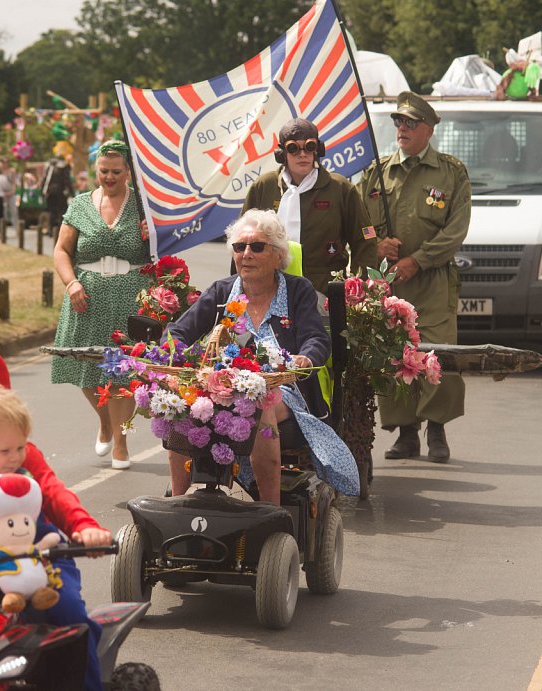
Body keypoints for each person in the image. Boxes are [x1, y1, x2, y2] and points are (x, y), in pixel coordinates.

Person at [0, 381, 112, 691]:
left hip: (40, 567)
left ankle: (89, 685)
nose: (16, 457)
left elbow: (55, 495)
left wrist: (85, 530)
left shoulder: (23, 479)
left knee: (69, 615)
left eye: (21, 447)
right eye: (6, 450)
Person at [166, 209, 359, 503]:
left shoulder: (298, 291)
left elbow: (315, 338)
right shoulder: (220, 293)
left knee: (258, 406)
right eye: (239, 247)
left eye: (257, 247)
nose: (246, 254)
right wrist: (176, 358)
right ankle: (177, 502)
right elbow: (177, 333)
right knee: (181, 406)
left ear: (278, 255)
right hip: (223, 385)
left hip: (282, 387)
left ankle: (271, 509)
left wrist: (305, 358)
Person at [357, 91, 471, 462]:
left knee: (439, 354)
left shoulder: (450, 172)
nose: (402, 129)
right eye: (397, 122)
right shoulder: (376, 171)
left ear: (428, 130)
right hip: (389, 283)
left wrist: (417, 261)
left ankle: (437, 429)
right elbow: (359, 224)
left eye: (410, 123)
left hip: (433, 281)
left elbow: (456, 230)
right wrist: (376, 245)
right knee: (394, 356)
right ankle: (407, 434)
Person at [51, 140, 150, 470]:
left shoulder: (142, 205)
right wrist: (71, 282)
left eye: (116, 172)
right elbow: (62, 251)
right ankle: (105, 421)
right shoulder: (79, 205)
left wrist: (155, 235)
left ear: (128, 172)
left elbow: (161, 253)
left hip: (131, 297)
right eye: (103, 171)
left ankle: (121, 439)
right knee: (88, 369)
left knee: (125, 374)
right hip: (87, 298)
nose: (109, 177)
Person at [241, 117, 378, 294]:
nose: (302, 154)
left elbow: (365, 240)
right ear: (282, 153)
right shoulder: (264, 187)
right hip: (268, 288)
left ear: (317, 150)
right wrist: (240, 289)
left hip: (324, 290)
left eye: (309, 147)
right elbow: (242, 241)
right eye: (293, 148)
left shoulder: (340, 189)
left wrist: (361, 290)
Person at [42, 153, 74, 239]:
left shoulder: (50, 167)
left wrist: (43, 192)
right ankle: (60, 232)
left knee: (52, 212)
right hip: (60, 193)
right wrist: (72, 193)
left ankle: (50, 231)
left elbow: (45, 180)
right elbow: (67, 181)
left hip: (50, 193)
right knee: (62, 212)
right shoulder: (64, 167)